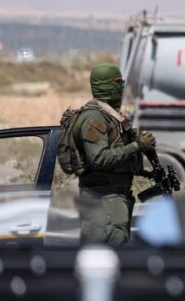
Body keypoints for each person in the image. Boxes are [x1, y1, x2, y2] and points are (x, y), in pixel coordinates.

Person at [76, 63, 156, 245]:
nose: (121, 87)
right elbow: (98, 158)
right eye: (118, 82)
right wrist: (136, 146)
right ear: (105, 86)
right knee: (107, 254)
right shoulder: (94, 118)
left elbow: (119, 157)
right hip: (103, 199)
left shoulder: (111, 116)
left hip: (114, 197)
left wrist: (147, 170)